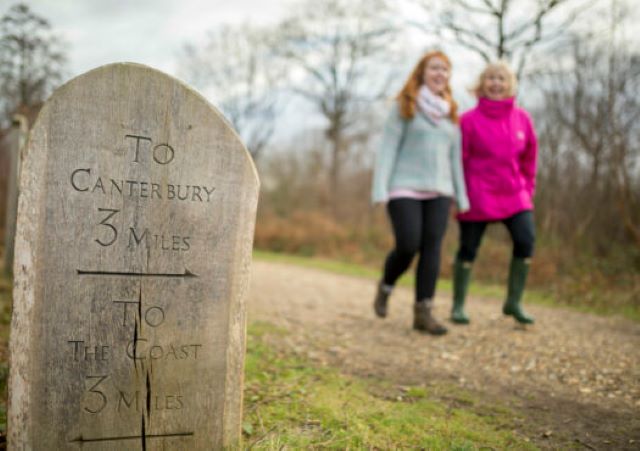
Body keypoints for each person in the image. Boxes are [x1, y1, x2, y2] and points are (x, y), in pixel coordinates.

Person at [371, 51, 469, 335]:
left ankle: (423, 312)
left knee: (432, 248)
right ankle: (386, 284)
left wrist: (462, 196)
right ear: (422, 73)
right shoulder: (405, 105)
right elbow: (388, 148)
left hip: (440, 189)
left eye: (445, 70)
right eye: (435, 68)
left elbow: (455, 159)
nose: (440, 74)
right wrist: (380, 188)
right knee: (408, 244)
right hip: (403, 187)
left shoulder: (451, 112)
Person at [451, 61, 537, 325]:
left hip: (514, 193)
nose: (496, 83)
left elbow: (529, 158)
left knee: (526, 240)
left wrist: (527, 189)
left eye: (501, 78)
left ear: (509, 84)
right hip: (477, 194)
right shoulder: (467, 121)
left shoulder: (522, 118)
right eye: (490, 78)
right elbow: (459, 160)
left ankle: (513, 302)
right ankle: (458, 306)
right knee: (468, 248)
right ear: (481, 84)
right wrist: (460, 195)